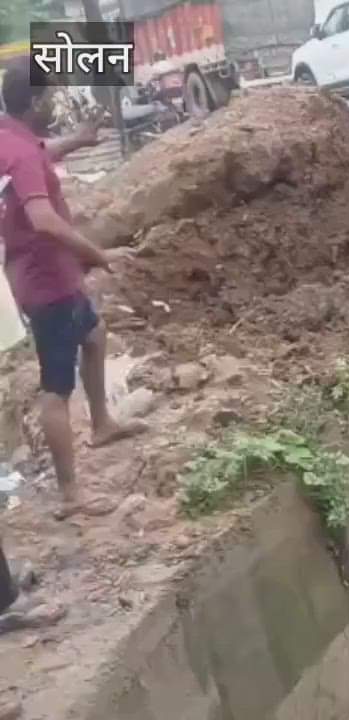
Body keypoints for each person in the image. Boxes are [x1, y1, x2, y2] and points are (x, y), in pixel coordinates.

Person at [1, 58, 147, 519]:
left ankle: (101, 422)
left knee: (95, 335)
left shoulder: (10, 138)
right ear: (37, 101)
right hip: (47, 281)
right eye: (53, 94)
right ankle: (71, 496)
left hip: (47, 274)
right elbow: (42, 219)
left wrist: (80, 140)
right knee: (56, 388)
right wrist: (99, 254)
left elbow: (38, 156)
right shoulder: (21, 152)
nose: (57, 102)